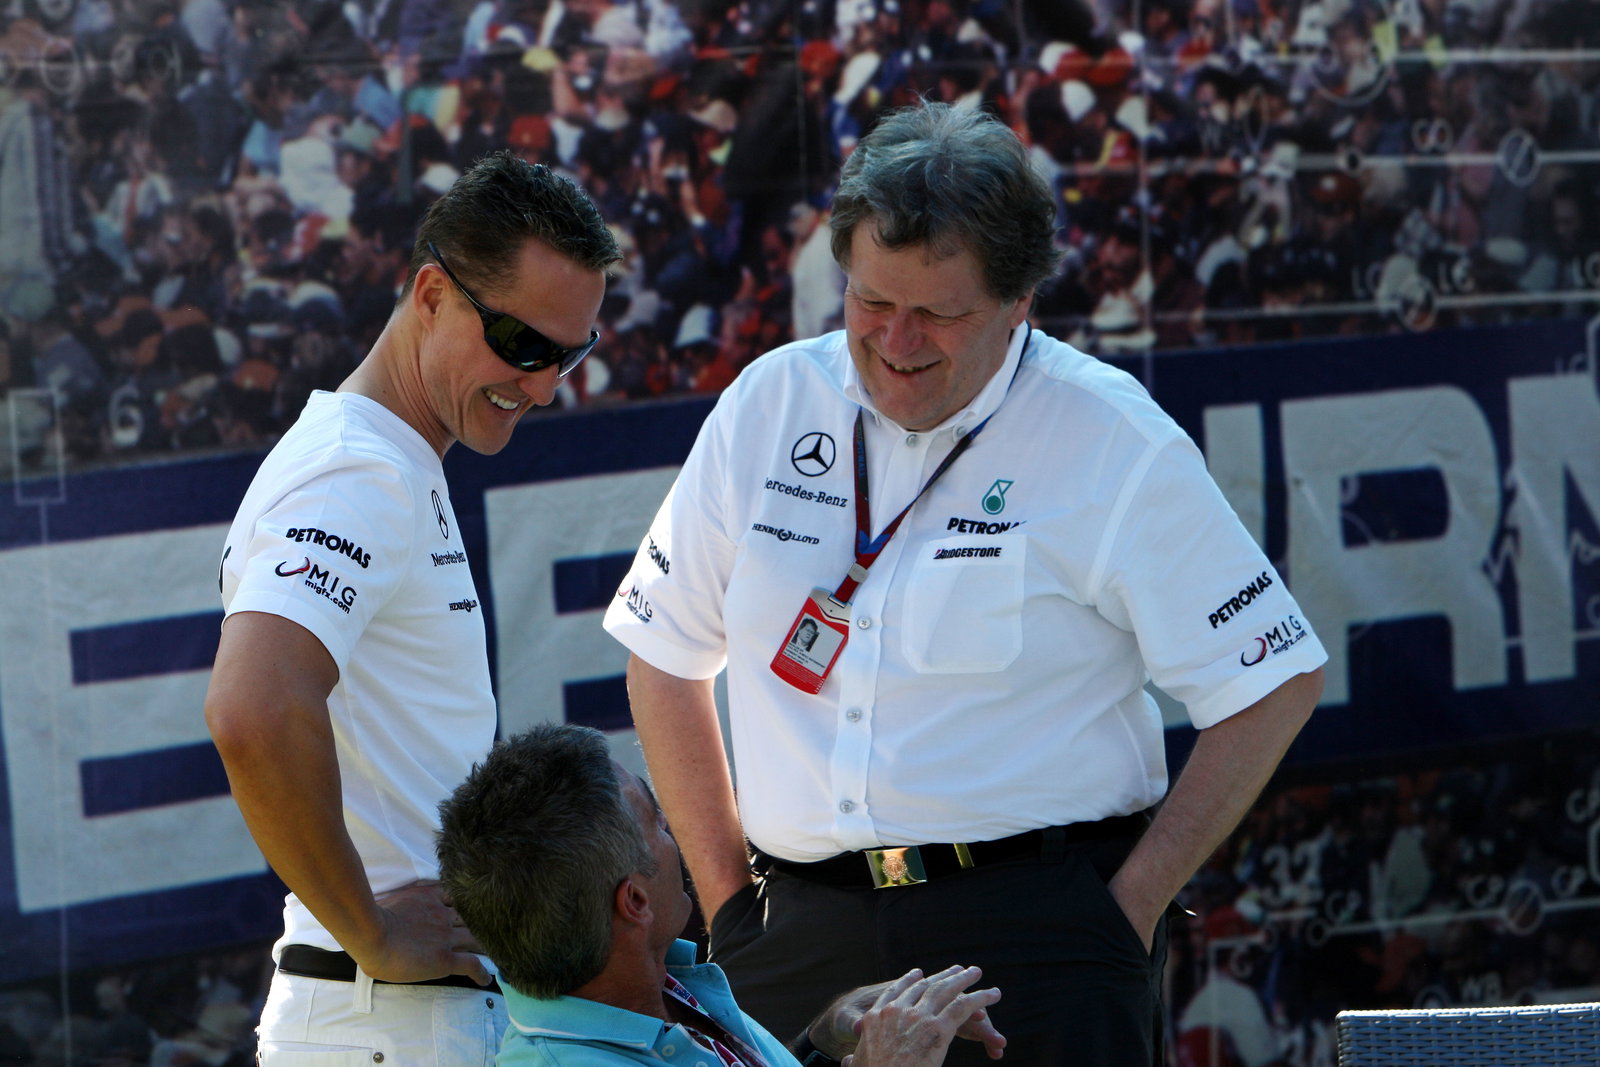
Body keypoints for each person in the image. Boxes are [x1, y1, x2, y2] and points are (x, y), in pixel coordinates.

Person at [601, 101, 1328, 1065]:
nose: (897, 339)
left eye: (939, 313)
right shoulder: (769, 403)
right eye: (869, 302)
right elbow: (662, 651)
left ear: (1021, 298)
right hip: (796, 938)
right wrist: (732, 905)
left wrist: (1127, 911)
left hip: (1037, 942)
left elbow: (1273, 677)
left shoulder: (1112, 434)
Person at [204, 149, 619, 1065]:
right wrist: (376, 936)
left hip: (388, 1016)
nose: (546, 384)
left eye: (570, 351)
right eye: (523, 344)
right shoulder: (354, 471)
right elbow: (252, 710)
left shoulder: (387, 462)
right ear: (432, 294)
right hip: (384, 1019)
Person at [435, 721, 1008, 1066]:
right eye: (659, 825)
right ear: (634, 903)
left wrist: (826, 1036)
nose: (675, 837)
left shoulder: (661, 987)